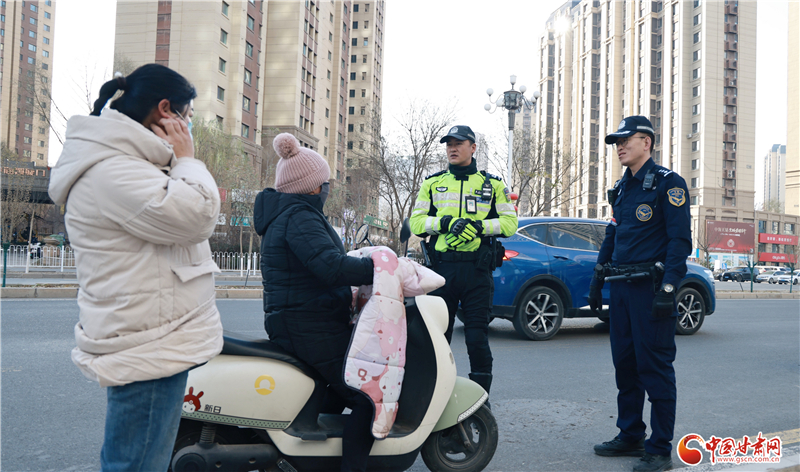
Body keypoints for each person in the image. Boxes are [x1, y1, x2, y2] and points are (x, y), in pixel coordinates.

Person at [47, 64, 223, 471]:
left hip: (153, 334)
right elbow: (196, 216)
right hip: (148, 342)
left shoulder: (126, 163)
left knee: (140, 458)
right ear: (165, 110)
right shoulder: (114, 169)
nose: (188, 128)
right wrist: (186, 158)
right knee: (137, 462)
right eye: (187, 117)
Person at [253, 133, 376, 472]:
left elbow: (320, 262)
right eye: (325, 183)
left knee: (333, 391)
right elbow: (330, 266)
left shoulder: (289, 213)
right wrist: (379, 266)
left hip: (303, 320)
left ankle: (308, 460)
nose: (327, 189)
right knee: (367, 397)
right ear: (312, 187)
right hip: (308, 323)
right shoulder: (299, 217)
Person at [588, 116, 692, 472]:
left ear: (646, 142)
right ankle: (630, 434)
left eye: (625, 140)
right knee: (626, 367)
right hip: (621, 288)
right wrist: (598, 278)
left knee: (655, 369)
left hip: (650, 289)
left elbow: (679, 241)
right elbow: (613, 235)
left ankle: (659, 448)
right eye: (616, 142)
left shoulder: (668, 183)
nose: (619, 147)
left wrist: (669, 288)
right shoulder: (622, 187)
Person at [409, 125, 518, 404]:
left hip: (477, 272)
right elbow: (416, 222)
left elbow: (510, 223)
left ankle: (480, 400)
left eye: (458, 143)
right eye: (449, 144)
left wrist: (479, 227)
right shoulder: (432, 183)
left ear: (473, 147)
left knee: (476, 337)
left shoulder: (493, 185)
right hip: (441, 272)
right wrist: (446, 223)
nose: (452, 148)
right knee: (437, 337)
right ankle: (433, 397)